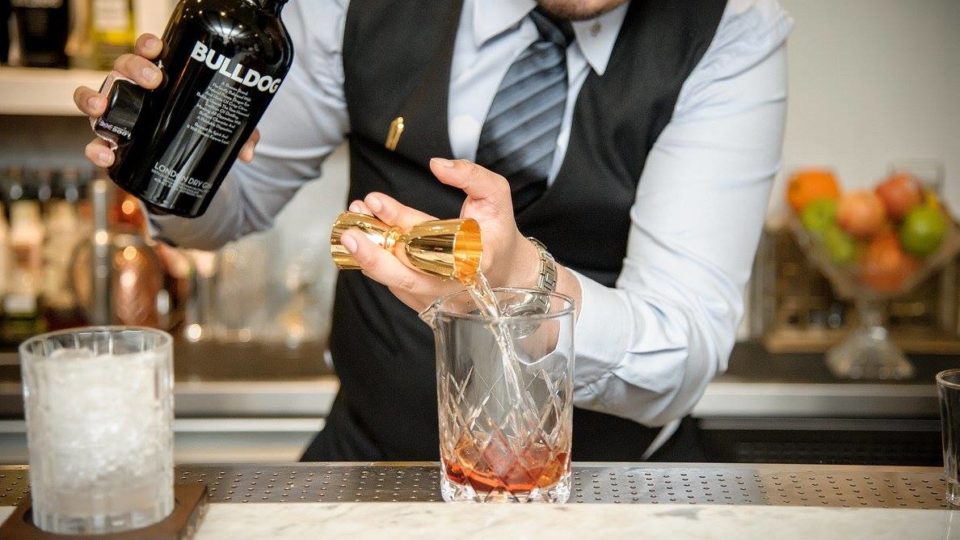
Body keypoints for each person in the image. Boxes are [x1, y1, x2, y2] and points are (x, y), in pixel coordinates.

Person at [74, 0, 793, 461]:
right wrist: (162, 158)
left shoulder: (732, 30)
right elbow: (229, 213)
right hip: (373, 461)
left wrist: (523, 286)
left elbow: (683, 348)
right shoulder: (349, 6)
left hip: (613, 486)